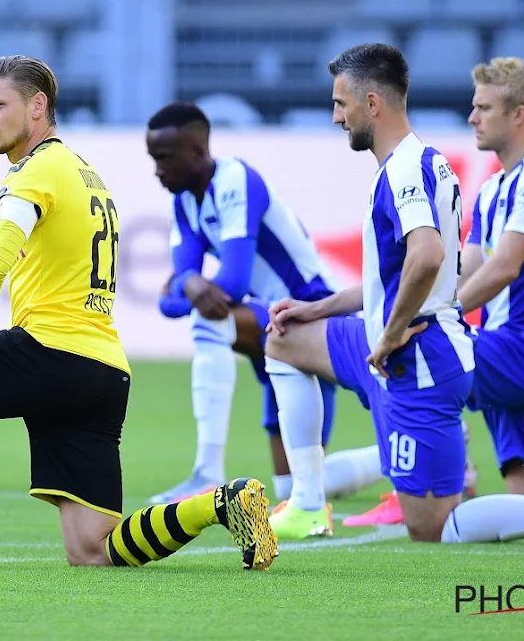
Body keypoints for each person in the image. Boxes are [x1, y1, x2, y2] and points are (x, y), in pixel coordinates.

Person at [0, 55, 278, 568]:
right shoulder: (87, 175)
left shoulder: (36, 172)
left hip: (51, 354)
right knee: (93, 550)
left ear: (37, 107)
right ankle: (222, 503)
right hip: (102, 372)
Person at [264, 43, 524, 545]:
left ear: (372, 103)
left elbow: (438, 260)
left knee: (434, 527)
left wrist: (390, 333)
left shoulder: (421, 169)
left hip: (467, 349)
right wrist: (319, 306)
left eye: (342, 103)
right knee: (284, 337)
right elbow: (437, 272)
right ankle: (306, 501)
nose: (336, 116)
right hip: (435, 341)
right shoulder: (459, 176)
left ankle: (437, 458)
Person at [145, 102, 381, 514]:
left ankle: (207, 472)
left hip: (312, 316)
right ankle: (396, 461)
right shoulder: (183, 200)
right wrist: (189, 282)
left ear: (198, 153)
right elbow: (171, 301)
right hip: (271, 322)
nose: (157, 170)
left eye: (164, 158)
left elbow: (229, 285)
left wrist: (189, 284)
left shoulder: (236, 180)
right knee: (294, 485)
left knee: (210, 319)